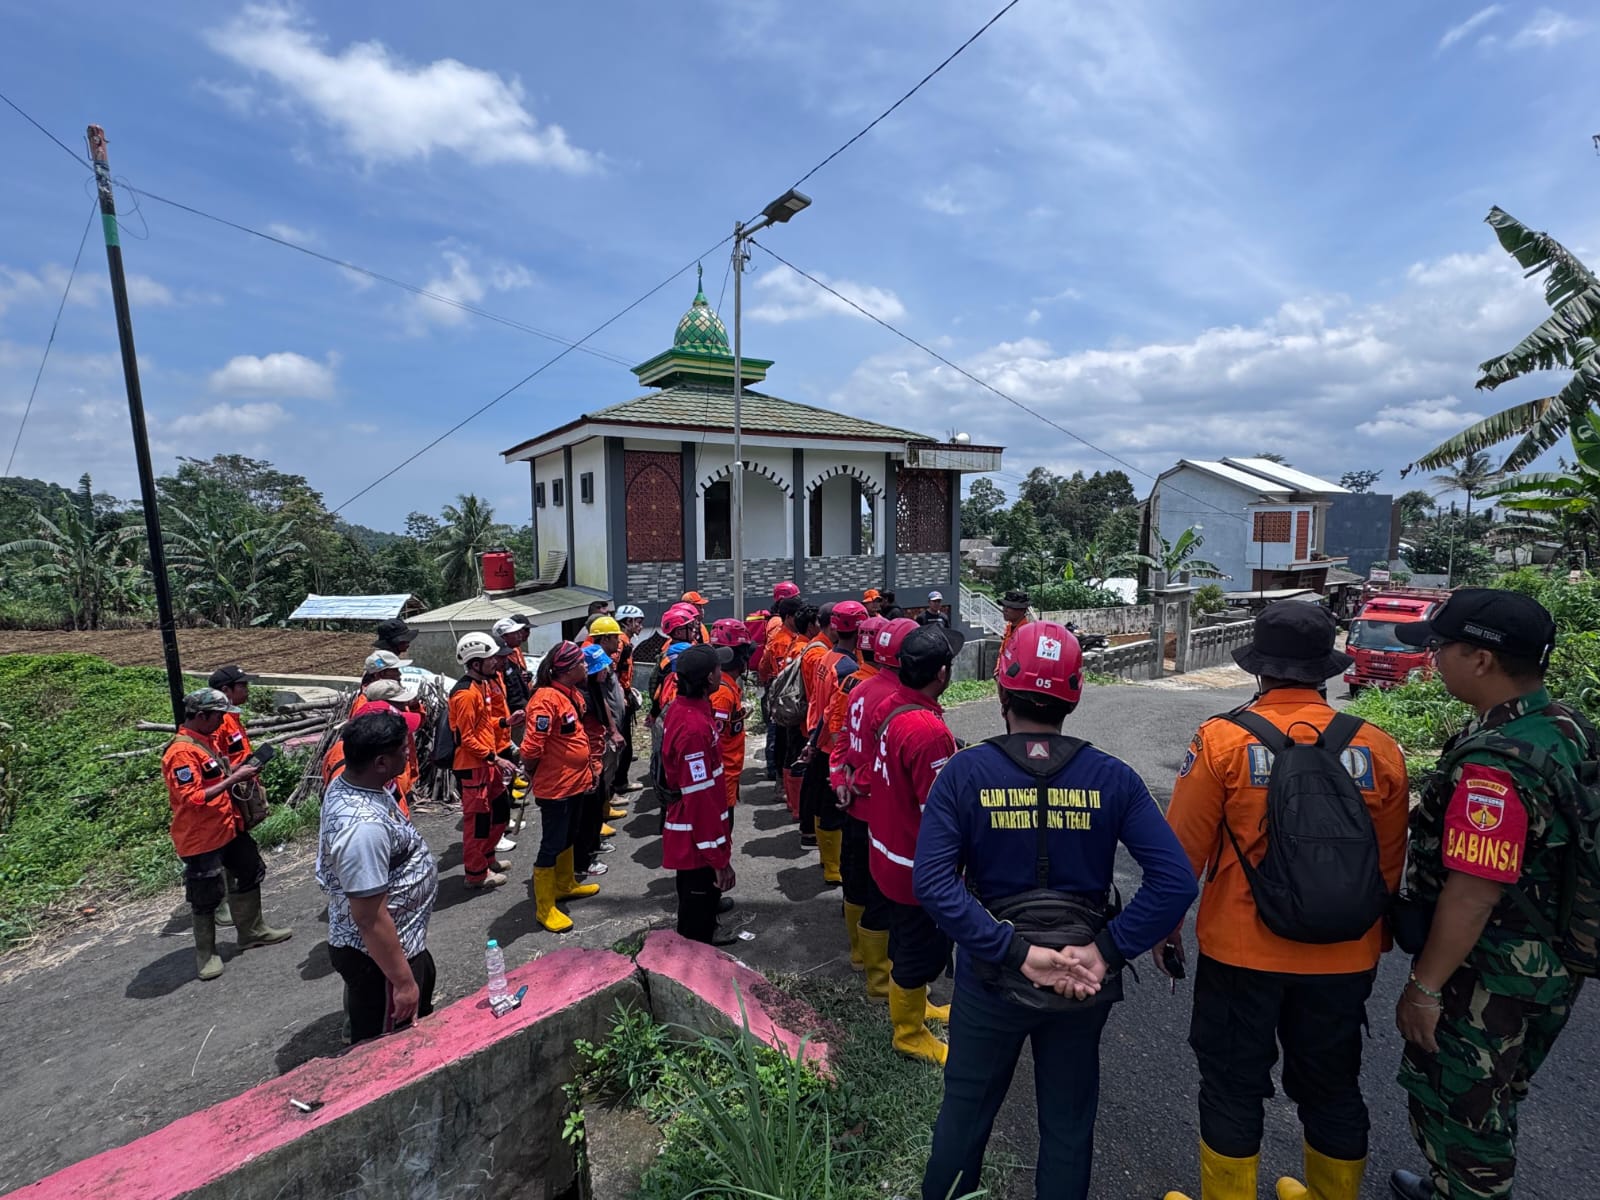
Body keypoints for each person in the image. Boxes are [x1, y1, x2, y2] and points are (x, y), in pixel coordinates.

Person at [915, 621, 1197, 1200]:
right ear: (1074, 694)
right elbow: (1174, 881)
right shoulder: (1115, 778)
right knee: (1068, 1127)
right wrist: (1103, 953)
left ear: (1000, 690)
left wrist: (1013, 951)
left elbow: (935, 885)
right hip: (1080, 986)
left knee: (964, 1120)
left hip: (990, 981)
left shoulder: (964, 774)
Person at [1160, 602, 1409, 1200]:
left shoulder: (1222, 740)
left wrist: (1166, 932)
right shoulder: (1379, 747)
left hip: (1241, 952)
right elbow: (1390, 865)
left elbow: (1179, 855)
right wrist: (1373, 940)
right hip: (1346, 955)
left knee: (1231, 1084)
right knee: (1333, 1086)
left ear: (1259, 669)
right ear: (1326, 667)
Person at [1387, 590, 1593, 1200]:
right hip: (1550, 957)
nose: (1433, 661)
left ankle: (1468, 1187)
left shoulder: (1497, 768)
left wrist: (1424, 989)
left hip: (1492, 974)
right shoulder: (1564, 726)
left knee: (1462, 1110)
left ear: (1480, 659)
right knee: (1498, 1092)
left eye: (1441, 648)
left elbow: (1473, 892)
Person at [869, 624, 967, 1064]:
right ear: (941, 673)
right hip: (914, 865)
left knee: (902, 941)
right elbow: (941, 813)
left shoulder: (889, 705)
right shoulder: (928, 731)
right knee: (917, 949)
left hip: (885, 848)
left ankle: (917, 1006)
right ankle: (908, 1033)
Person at [317, 711, 438, 1044]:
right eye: (404, 748)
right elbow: (369, 919)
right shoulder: (362, 830)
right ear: (381, 762)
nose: (409, 752)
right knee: (390, 1044)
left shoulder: (358, 779)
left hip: (398, 941)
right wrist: (402, 983)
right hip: (377, 959)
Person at [162, 688, 292, 981]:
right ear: (200, 715)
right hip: (201, 837)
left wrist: (237, 769)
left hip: (228, 827)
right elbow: (192, 798)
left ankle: (252, 931)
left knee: (250, 870)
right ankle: (206, 954)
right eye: (217, 717)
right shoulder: (181, 752)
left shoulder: (204, 741)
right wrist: (234, 778)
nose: (222, 723)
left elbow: (213, 775)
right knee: (205, 895)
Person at [835, 617, 918, 995]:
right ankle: (881, 975)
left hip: (853, 804)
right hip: (880, 811)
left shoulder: (860, 688)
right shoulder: (896, 699)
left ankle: (858, 954)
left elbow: (844, 744)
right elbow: (880, 762)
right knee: (881, 894)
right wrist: (857, 782)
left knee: (855, 883)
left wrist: (841, 780)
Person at [520, 642, 600, 932]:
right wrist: (530, 771)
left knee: (570, 835)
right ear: (566, 669)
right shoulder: (545, 700)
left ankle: (565, 884)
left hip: (575, 783)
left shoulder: (570, 694)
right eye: (581, 662)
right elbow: (531, 748)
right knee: (551, 843)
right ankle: (545, 908)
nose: (586, 666)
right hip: (556, 787)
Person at [660, 643, 736, 944]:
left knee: (701, 900)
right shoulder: (694, 729)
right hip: (696, 838)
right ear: (708, 679)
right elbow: (700, 798)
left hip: (698, 832)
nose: (722, 672)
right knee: (695, 923)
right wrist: (718, 858)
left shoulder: (686, 710)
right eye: (718, 668)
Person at [447, 633, 517, 891]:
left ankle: (488, 859)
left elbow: (483, 725)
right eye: (490, 659)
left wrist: (505, 722)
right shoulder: (465, 694)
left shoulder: (482, 685)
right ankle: (476, 874)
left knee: (499, 812)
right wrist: (496, 758)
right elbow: (467, 739)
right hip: (473, 766)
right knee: (477, 823)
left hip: (486, 763)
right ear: (475, 663)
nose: (495, 663)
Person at [205, 663, 255, 927]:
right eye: (242, 685)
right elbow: (218, 761)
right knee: (220, 846)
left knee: (236, 842)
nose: (247, 689)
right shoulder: (217, 721)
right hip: (226, 789)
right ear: (226, 690)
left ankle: (236, 896)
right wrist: (236, 772)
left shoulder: (232, 717)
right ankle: (219, 902)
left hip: (239, 787)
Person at [572, 643, 624, 881]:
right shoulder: (578, 694)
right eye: (602, 667)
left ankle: (593, 845)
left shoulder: (593, 686)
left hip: (597, 756)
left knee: (595, 807)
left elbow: (604, 709)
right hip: (586, 760)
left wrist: (613, 731)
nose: (607, 670)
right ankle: (582, 863)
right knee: (584, 814)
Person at [354, 678, 423, 819]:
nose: (405, 706)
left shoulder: (386, 774)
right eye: (400, 704)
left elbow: (419, 721)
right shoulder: (367, 790)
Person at [709, 619, 755, 819]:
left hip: (727, 777)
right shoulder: (722, 695)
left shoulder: (727, 688)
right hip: (721, 780)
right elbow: (713, 743)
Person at [761, 595, 804, 784]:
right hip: (784, 697)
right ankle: (780, 781)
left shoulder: (794, 637)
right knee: (782, 741)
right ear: (788, 617)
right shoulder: (781, 641)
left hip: (789, 695)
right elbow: (778, 673)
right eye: (797, 615)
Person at [613, 604, 647, 794]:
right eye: (639, 622)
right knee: (623, 744)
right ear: (628, 622)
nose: (641, 626)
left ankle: (621, 781)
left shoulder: (624, 642)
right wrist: (622, 694)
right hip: (620, 700)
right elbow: (613, 674)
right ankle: (619, 783)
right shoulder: (620, 643)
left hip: (623, 695)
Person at [493, 614, 535, 722]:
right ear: (504, 637)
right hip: (509, 718)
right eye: (515, 633)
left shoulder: (515, 651)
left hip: (521, 712)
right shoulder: (496, 664)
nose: (519, 635)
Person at [995, 589, 1031, 677]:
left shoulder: (1027, 633)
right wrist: (997, 671)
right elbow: (1003, 653)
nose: (1005, 610)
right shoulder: (1009, 628)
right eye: (1004, 606)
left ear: (1022, 610)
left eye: (1010, 607)